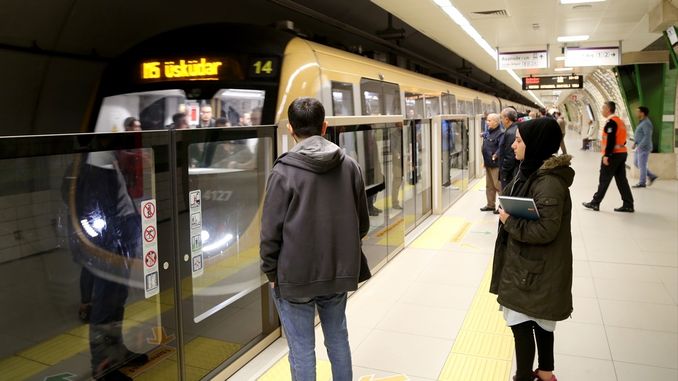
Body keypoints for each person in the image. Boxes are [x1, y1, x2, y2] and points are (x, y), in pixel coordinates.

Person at [260, 97, 371, 380]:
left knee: (301, 349)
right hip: (337, 271)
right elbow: (362, 222)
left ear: (290, 128)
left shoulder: (283, 170)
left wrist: (271, 270)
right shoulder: (349, 165)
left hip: (295, 276)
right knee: (337, 339)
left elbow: (270, 231)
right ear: (325, 126)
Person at [492, 118, 574, 381]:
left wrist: (508, 220)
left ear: (535, 144)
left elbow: (545, 231)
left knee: (522, 325)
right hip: (533, 265)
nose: (513, 145)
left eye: (519, 140)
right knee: (540, 322)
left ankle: (524, 377)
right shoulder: (533, 172)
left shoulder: (548, 182)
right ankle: (547, 373)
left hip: (534, 268)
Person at [583, 101, 634, 212]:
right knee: (621, 180)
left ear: (608, 109)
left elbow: (610, 140)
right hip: (621, 153)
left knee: (604, 179)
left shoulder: (611, 122)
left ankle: (595, 203)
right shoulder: (620, 121)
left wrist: (607, 155)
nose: (601, 111)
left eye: (602, 109)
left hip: (613, 155)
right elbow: (623, 139)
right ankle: (628, 204)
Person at [480, 113, 503, 214]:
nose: (487, 122)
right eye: (487, 120)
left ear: (496, 122)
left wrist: (496, 155)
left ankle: (502, 206)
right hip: (488, 162)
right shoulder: (489, 132)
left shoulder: (501, 133)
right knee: (489, 186)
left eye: (489, 120)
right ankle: (490, 205)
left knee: (498, 186)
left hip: (496, 164)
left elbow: (501, 147)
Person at [632, 106, 658, 188]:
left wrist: (639, 146)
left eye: (638, 111)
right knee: (636, 163)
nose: (636, 113)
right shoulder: (641, 122)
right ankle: (652, 176)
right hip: (639, 146)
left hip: (644, 147)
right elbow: (640, 134)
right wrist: (635, 143)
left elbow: (647, 136)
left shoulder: (647, 123)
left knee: (642, 164)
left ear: (642, 113)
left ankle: (642, 182)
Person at [499, 107, 519, 189]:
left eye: (501, 118)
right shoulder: (515, 128)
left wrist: (504, 171)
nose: (501, 120)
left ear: (507, 119)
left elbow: (510, 155)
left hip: (509, 173)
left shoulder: (510, 133)